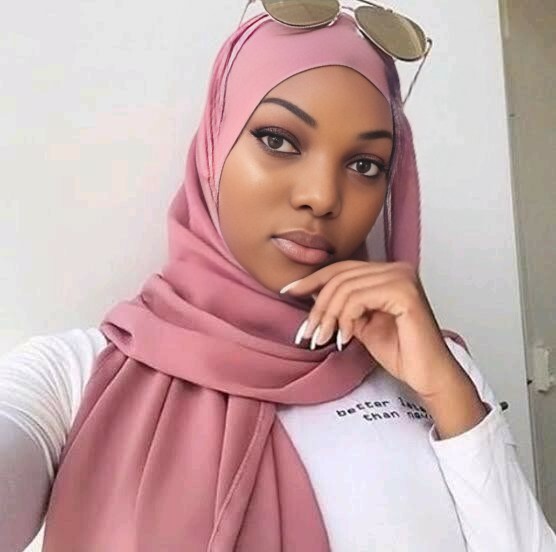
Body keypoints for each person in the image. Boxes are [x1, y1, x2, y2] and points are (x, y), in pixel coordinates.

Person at [1, 4, 556, 551]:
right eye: (278, 140)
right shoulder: (77, 379)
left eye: (365, 165)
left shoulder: (435, 370)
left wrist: (447, 393)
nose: (321, 196)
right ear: (215, 144)